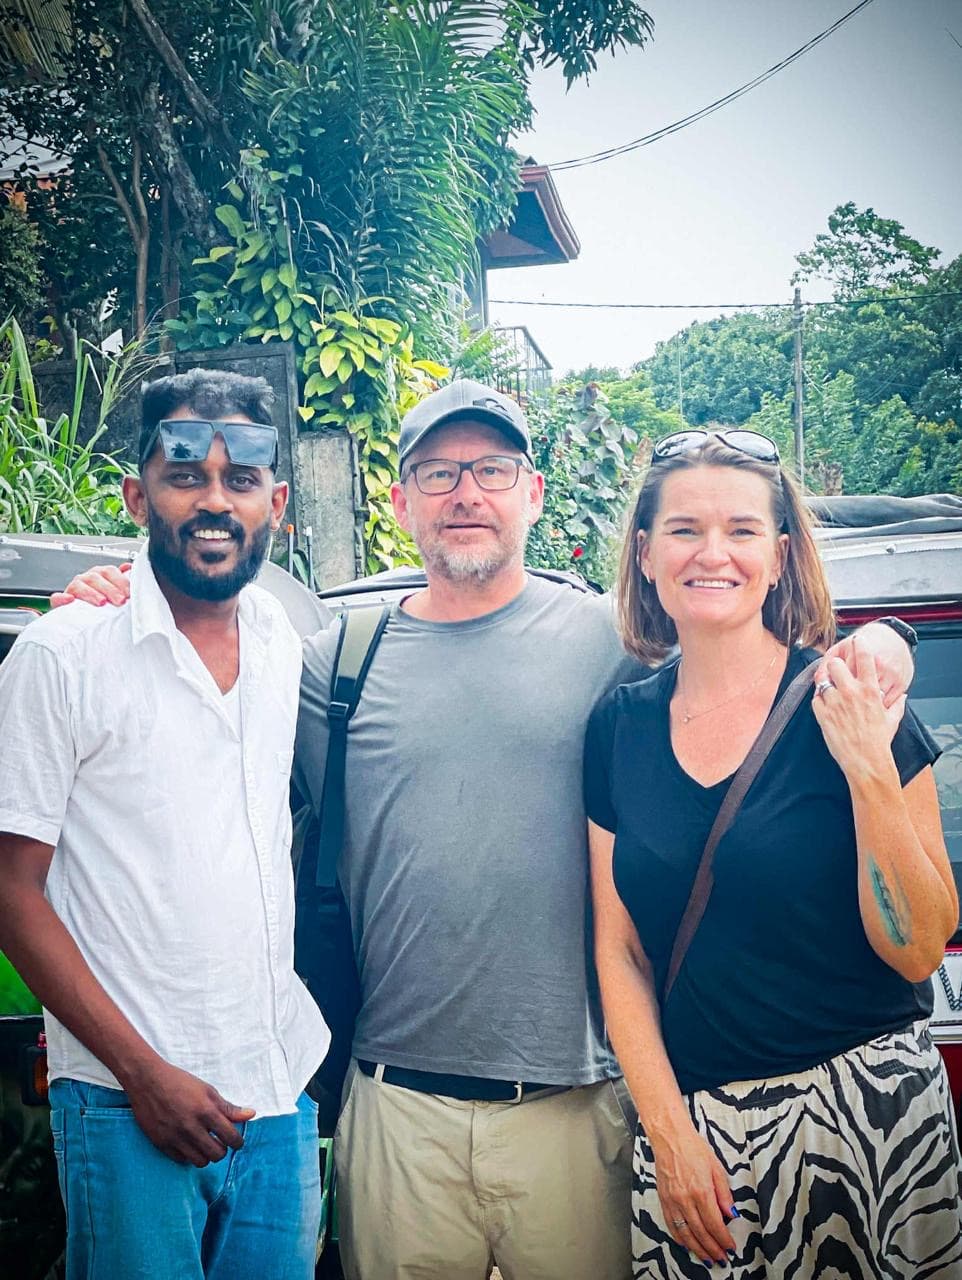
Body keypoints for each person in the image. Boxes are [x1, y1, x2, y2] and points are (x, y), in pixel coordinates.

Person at [56, 382, 917, 1280]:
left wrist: (886, 639)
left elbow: (747, 638)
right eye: (437, 473)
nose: (467, 493)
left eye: (493, 470)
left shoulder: (613, 642)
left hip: (578, 1109)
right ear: (399, 503)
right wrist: (122, 588)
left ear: (532, 493)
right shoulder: (331, 664)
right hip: (396, 1113)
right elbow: (203, 680)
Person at [584, 428, 962, 1279]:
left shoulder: (856, 698)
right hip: (700, 1144)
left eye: (742, 530)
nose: (712, 553)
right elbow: (620, 949)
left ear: (781, 555)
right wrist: (669, 1135)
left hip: (871, 1119)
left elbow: (918, 946)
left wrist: (866, 763)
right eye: (683, 529)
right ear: (644, 554)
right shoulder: (618, 727)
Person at [0, 369, 330, 1280]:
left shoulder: (277, 641)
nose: (215, 502)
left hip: (276, 1097)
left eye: (242, 478)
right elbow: (11, 888)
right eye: (186, 477)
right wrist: (143, 1076)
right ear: (137, 495)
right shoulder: (63, 654)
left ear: (279, 501)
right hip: (123, 1103)